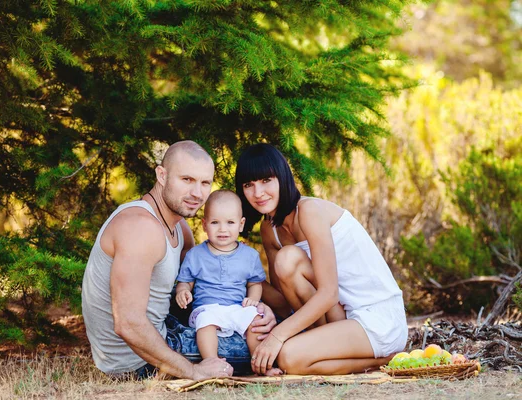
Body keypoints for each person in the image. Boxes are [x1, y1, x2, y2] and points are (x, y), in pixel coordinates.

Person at [81, 140, 277, 380]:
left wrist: (255, 309)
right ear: (161, 175)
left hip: (163, 329)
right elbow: (128, 324)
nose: (197, 193)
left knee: (260, 330)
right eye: (186, 180)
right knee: (277, 348)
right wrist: (193, 371)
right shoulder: (140, 227)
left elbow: (197, 289)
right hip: (137, 361)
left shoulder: (179, 227)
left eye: (205, 183)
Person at [234, 143, 408, 376]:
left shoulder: (309, 211)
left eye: (266, 180)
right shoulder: (270, 229)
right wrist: (242, 274)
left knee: (286, 352)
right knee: (290, 361)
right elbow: (285, 300)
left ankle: (383, 358)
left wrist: (277, 336)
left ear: (282, 177)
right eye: (249, 185)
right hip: (340, 318)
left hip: (376, 318)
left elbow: (329, 293)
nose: (258, 193)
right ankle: (355, 355)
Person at [175, 190, 283, 376]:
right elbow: (185, 281)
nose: (223, 229)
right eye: (215, 222)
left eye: (230, 223)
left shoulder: (249, 255)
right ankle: (212, 362)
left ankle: (260, 364)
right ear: (204, 225)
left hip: (237, 307)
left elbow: (255, 283)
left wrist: (253, 299)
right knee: (205, 323)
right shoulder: (196, 255)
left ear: (241, 224)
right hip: (208, 307)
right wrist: (183, 291)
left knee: (255, 320)